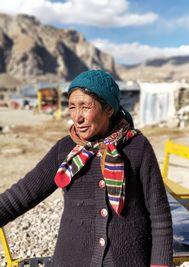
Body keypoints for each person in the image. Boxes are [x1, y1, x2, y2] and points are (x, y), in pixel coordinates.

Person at [0, 69, 173, 267]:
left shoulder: (137, 147)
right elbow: (21, 195)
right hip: (72, 260)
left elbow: (159, 215)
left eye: (85, 106)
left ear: (109, 109)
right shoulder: (65, 149)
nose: (77, 117)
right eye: (72, 107)